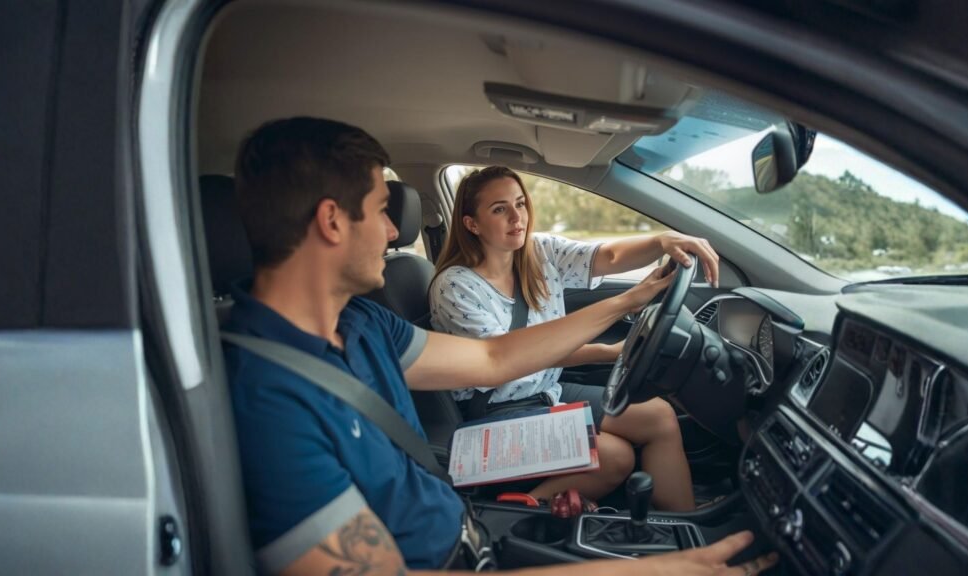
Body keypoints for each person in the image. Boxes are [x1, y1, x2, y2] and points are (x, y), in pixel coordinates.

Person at [223, 116, 776, 575]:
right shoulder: (267, 400)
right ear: (331, 222)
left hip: (469, 532)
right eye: (379, 210)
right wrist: (648, 570)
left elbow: (494, 358)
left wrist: (625, 303)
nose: (394, 233)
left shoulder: (365, 324)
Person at [429, 166, 719, 512]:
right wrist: (627, 303)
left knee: (657, 414)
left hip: (546, 394)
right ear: (472, 224)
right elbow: (508, 361)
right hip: (491, 417)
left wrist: (662, 241)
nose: (516, 217)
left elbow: (607, 257)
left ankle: (681, 523)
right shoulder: (455, 287)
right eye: (499, 209)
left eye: (520, 204)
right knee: (614, 456)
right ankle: (521, 508)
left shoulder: (539, 253)